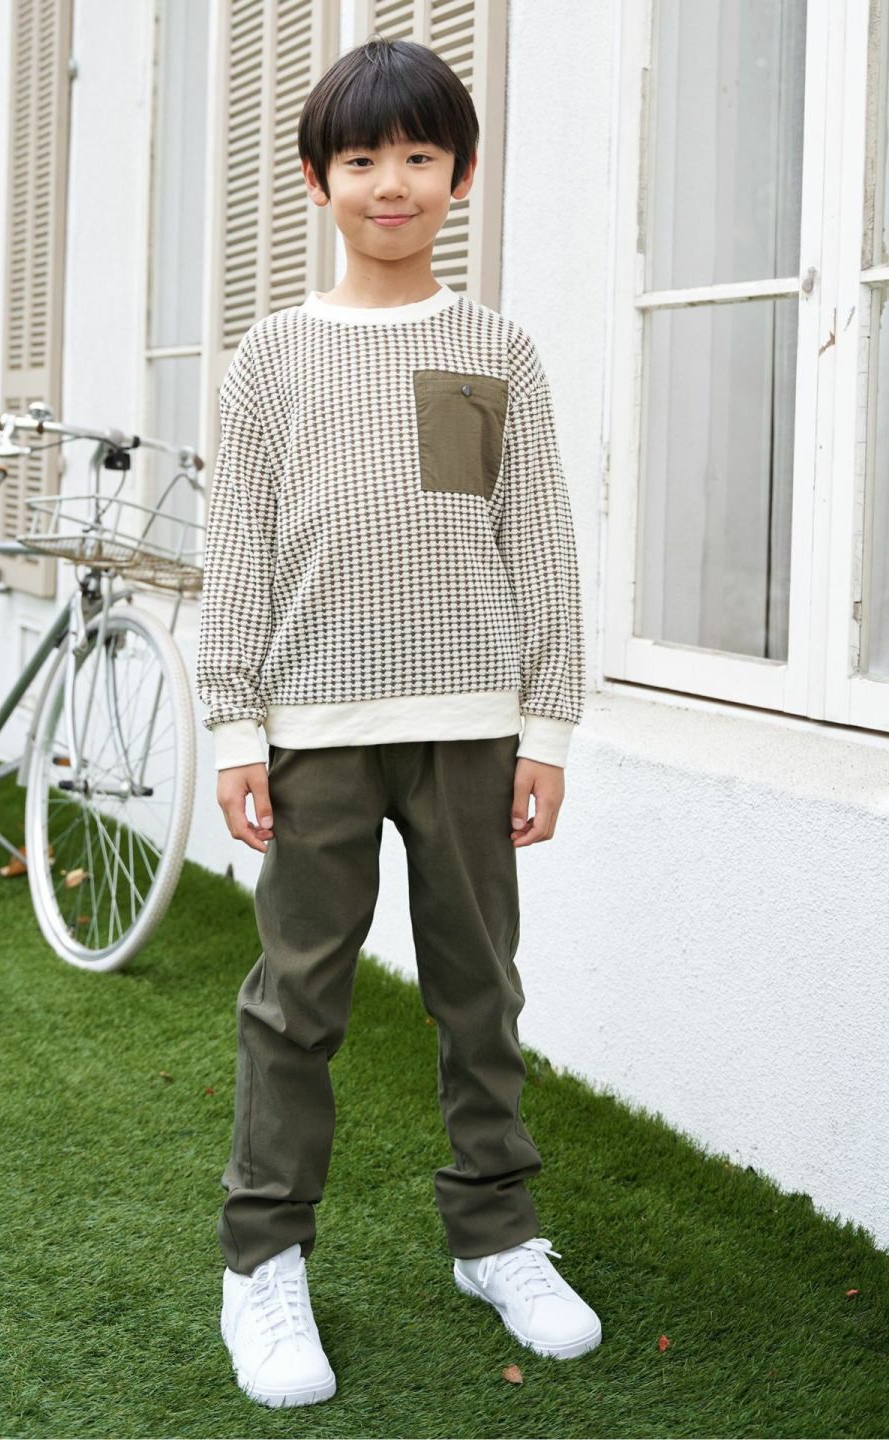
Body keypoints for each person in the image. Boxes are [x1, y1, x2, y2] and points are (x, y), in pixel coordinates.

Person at [197, 33, 601, 1410]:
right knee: (296, 1000)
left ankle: (496, 1235)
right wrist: (235, 729)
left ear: (461, 176)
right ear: (318, 179)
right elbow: (239, 551)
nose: (392, 182)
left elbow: (537, 540)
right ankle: (262, 1261)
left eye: (421, 155)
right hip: (312, 727)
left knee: (480, 989)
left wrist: (546, 726)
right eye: (363, 157)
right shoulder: (272, 358)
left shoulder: (493, 352)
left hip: (474, 726)